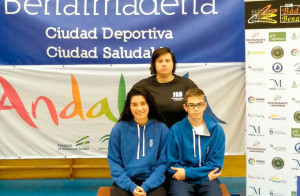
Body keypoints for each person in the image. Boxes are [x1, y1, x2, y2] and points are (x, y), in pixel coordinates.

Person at [107, 87, 169, 196]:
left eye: (143, 103)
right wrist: (131, 186)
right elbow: (114, 162)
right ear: (129, 107)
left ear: (149, 105)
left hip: (153, 182)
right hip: (125, 181)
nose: (139, 108)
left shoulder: (162, 129)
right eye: (134, 104)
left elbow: (163, 164)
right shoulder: (119, 129)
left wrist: (146, 186)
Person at [167, 87, 225, 196]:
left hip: (206, 179)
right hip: (183, 180)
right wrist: (203, 176)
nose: (196, 109)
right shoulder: (175, 130)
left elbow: (215, 166)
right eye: (191, 105)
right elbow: (172, 165)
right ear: (185, 107)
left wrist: (187, 173)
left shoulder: (217, 130)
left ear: (205, 106)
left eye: (199, 104)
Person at [132, 47, 198, 128]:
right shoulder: (141, 87)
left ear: (173, 64)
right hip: (152, 135)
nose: (164, 64)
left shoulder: (187, 85)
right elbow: (131, 113)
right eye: (160, 61)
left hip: (181, 134)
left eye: (167, 61)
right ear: (154, 64)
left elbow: (198, 110)